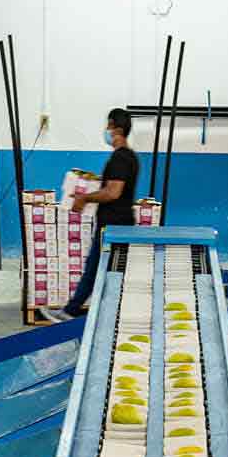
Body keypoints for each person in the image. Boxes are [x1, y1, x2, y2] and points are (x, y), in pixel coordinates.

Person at [39, 109, 139, 323]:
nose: (106, 130)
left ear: (116, 128)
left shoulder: (120, 158)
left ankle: (71, 312)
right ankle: (77, 310)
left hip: (114, 226)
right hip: (117, 224)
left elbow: (113, 192)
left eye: (109, 126)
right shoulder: (128, 157)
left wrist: (85, 198)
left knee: (95, 269)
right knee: (101, 270)